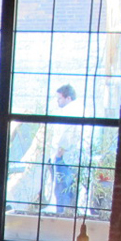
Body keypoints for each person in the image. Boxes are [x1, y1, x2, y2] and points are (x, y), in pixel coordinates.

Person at [50, 84, 79, 215]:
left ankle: (61, 217)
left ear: (68, 98)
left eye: (59, 98)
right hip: (74, 158)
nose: (57, 101)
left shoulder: (70, 111)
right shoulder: (80, 109)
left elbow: (67, 136)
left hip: (65, 158)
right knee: (70, 191)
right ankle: (67, 216)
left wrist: (59, 153)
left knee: (62, 189)